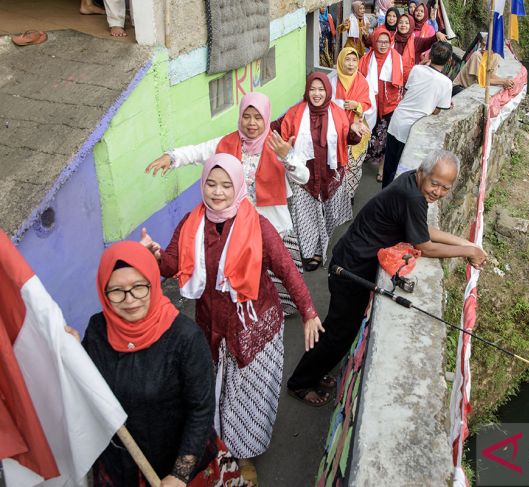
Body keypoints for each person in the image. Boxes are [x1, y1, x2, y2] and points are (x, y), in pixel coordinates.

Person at [141, 153, 323, 480]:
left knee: (245, 397)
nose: (218, 191)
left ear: (238, 186)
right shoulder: (191, 223)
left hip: (252, 326)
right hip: (210, 325)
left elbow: (286, 270)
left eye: (226, 185)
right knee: (211, 393)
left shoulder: (258, 226)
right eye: (211, 183)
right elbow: (171, 264)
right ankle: (217, 450)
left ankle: (244, 456)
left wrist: (308, 311)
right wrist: (155, 256)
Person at [286, 150, 488, 405]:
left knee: (339, 330)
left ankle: (315, 372)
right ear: (422, 172)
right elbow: (424, 246)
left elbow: (422, 228)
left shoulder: (410, 184)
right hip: (351, 269)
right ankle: (300, 383)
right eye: (434, 183)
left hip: (352, 261)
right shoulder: (412, 196)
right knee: (339, 333)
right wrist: (466, 251)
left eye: (445, 188)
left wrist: (467, 244)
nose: (437, 191)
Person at [81, 241, 249, 486]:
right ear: (103, 291)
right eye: (116, 290)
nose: (129, 300)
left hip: (176, 463)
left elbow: (200, 410)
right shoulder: (97, 329)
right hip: (121, 465)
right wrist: (71, 354)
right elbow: (88, 385)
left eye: (139, 287)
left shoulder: (185, 338)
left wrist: (179, 474)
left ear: (152, 282)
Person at [145, 93, 309, 315]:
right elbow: (197, 151)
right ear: (239, 117)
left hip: (273, 225)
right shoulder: (226, 143)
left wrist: (287, 157)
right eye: (246, 116)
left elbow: (304, 177)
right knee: (247, 278)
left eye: (258, 117)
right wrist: (171, 158)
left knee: (282, 273)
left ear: (267, 117)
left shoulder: (277, 144)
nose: (251, 123)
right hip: (237, 228)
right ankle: (252, 312)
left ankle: (281, 312)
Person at [275, 72, 367, 271]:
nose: (317, 93)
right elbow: (277, 131)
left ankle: (321, 244)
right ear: (307, 90)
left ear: (328, 91)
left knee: (328, 214)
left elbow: (348, 139)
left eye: (321, 89)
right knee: (304, 214)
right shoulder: (294, 113)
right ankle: (310, 252)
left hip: (330, 173)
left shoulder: (337, 112)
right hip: (303, 176)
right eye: (312, 89)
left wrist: (355, 132)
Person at [382, 41, 453, 187]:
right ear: (449, 60)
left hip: (397, 121)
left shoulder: (417, 69)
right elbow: (437, 110)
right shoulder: (446, 83)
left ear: (430, 55)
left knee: (390, 165)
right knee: (404, 171)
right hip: (413, 129)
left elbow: (409, 91)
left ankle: (383, 195)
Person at [328, 47, 374, 202]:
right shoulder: (332, 82)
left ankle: (349, 196)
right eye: (347, 59)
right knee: (337, 164)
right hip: (337, 131)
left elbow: (370, 105)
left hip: (357, 130)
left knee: (353, 166)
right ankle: (335, 196)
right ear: (341, 61)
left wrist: (357, 106)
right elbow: (328, 106)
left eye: (354, 60)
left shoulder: (363, 82)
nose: (351, 64)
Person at [359, 27, 404, 182]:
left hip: (390, 105)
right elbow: (359, 78)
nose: (383, 45)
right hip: (370, 104)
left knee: (385, 139)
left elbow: (401, 82)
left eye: (386, 42)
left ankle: (381, 169)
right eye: (379, 41)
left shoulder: (396, 58)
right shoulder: (366, 58)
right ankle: (364, 156)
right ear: (374, 41)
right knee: (369, 133)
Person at [393, 13, 447, 82]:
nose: (403, 25)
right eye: (400, 22)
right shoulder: (391, 40)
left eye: (407, 23)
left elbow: (429, 41)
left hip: (409, 80)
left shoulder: (416, 41)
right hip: (391, 78)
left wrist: (437, 34)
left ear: (411, 25)